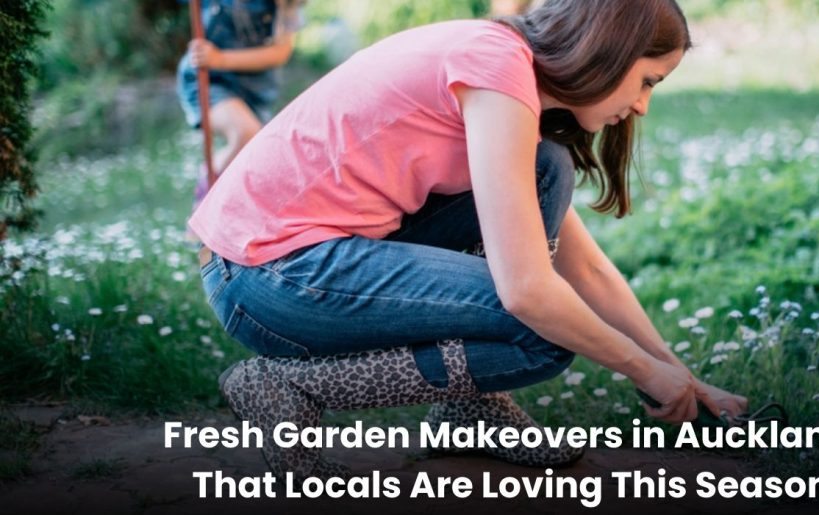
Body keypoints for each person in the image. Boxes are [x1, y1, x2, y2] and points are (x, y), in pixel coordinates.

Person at [190, 0, 749, 479]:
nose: (643, 105)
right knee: (547, 329)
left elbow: (584, 270)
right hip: (266, 275)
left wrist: (682, 377)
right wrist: (641, 369)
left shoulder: (508, 71)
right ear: (609, 50)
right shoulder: (497, 70)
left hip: (299, 261)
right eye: (648, 80)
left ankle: (467, 410)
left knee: (548, 168)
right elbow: (528, 291)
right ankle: (291, 388)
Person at [176, 0, 305, 209]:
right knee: (246, 133)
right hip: (210, 82)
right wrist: (214, 59)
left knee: (261, 160)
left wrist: (221, 58)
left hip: (255, 92)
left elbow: (280, 52)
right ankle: (208, 188)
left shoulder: (287, 5)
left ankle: (232, 209)